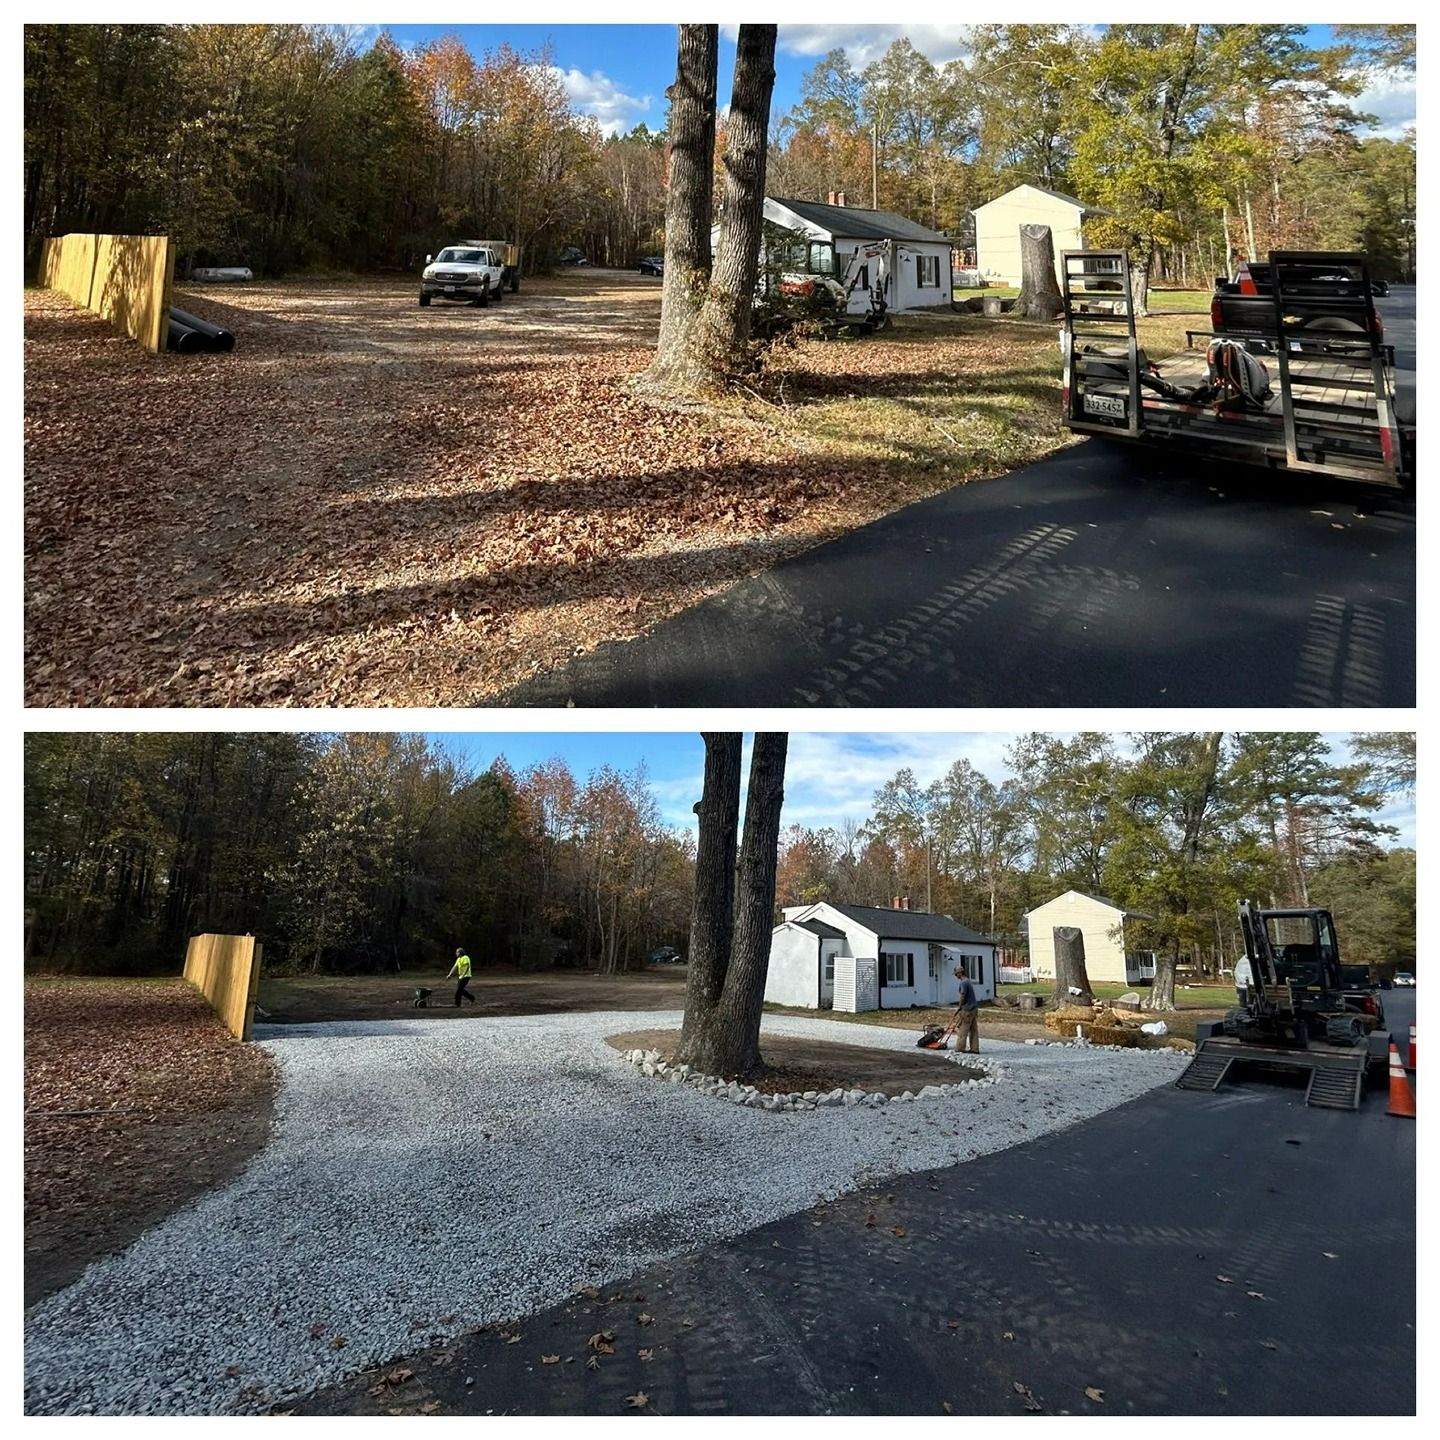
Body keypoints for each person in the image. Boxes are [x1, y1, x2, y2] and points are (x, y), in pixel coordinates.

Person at [951, 965, 980, 1053]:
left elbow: (963, 996)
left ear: (960, 973)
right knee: (973, 1030)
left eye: (956, 974)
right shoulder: (968, 981)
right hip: (974, 1009)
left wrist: (959, 1007)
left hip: (967, 1009)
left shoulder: (963, 983)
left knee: (963, 1029)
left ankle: (960, 1048)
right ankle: (974, 1048)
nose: (956, 976)